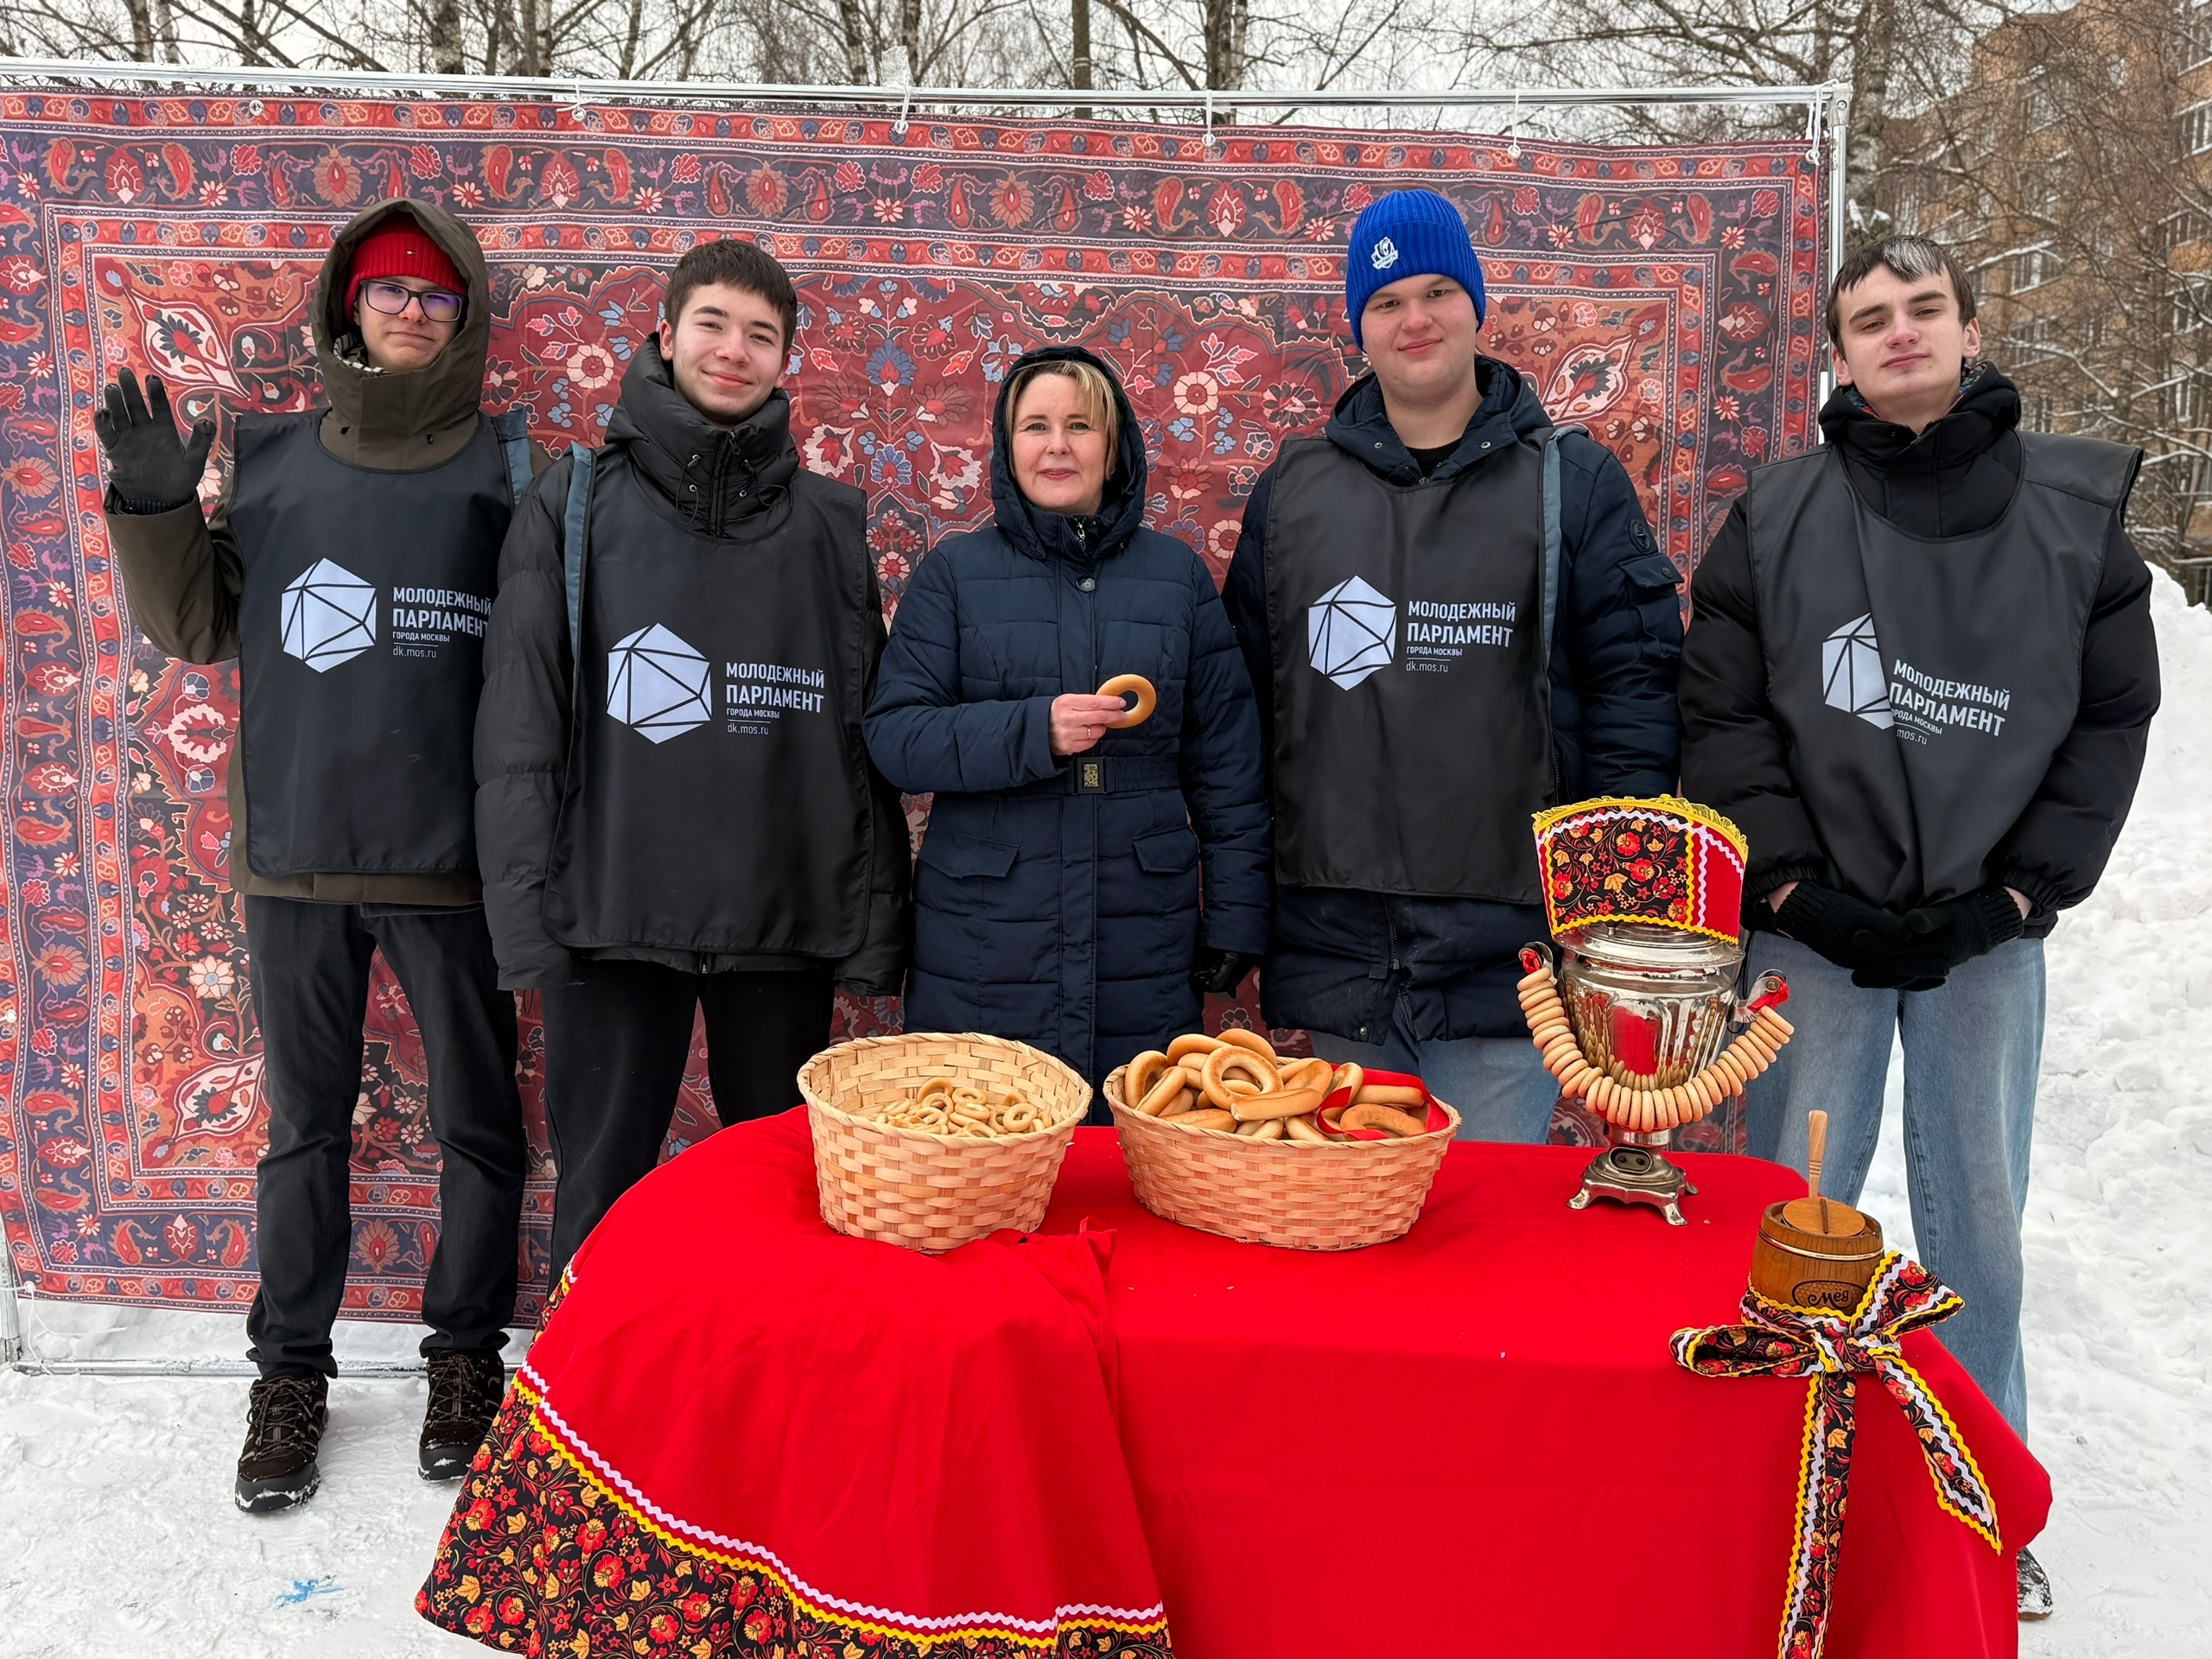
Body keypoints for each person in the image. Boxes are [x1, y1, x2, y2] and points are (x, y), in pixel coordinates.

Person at [1679, 232, 2161, 1616]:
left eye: (1924, 309)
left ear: (1964, 326)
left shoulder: (2073, 512)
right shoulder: (1775, 515)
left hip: (1984, 940)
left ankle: (1986, 1504)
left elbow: (2110, 714)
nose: (1899, 333)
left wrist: (2015, 895)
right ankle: (1771, 1488)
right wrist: (1786, 887)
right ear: (1836, 353)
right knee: (1788, 1215)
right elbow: (1721, 712)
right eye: (1870, 317)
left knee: (1978, 1232)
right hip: (1814, 933)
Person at [96, 200, 545, 1512]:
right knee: (304, 1135)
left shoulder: (509, 468)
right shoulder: (275, 458)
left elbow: (537, 664)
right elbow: (196, 627)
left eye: (437, 296)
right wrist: (156, 503)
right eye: (392, 291)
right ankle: (289, 1373)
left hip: (453, 861)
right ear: (348, 302)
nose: (413, 311)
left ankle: (466, 1360)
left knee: (481, 1126)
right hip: (294, 854)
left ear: (465, 316)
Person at [474, 238, 909, 1284]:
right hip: (613, 918)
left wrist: (871, 926)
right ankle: (579, 1416)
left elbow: (859, 740)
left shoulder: (830, 526)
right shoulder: (574, 501)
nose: (734, 350)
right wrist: (527, 922)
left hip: (781, 922)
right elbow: (522, 721)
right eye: (712, 324)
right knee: (603, 1197)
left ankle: (764, 1419)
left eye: (762, 334)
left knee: (786, 1206)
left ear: (784, 360)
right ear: (666, 336)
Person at [1222, 188, 1683, 1139]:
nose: (1415, 318)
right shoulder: (1295, 490)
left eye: (1437, 291)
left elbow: (1634, 690)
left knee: (1484, 1251)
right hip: (1338, 945)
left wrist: (1602, 909)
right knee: (1360, 1253)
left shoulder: (1572, 480)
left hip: (1506, 951)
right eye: (1387, 302)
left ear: (1478, 307)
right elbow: (1243, 712)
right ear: (1359, 327)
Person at [864, 347, 1268, 1100]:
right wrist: (1031, 732)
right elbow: (897, 740)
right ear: (1006, 444)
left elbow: (1229, 768)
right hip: (988, 930)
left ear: (1113, 445)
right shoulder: (953, 575)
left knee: (1133, 1159)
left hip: (1139, 926)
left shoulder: (1176, 578)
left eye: (1080, 425)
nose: (1057, 445)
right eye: (1036, 426)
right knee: (987, 1157)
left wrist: (1238, 918)